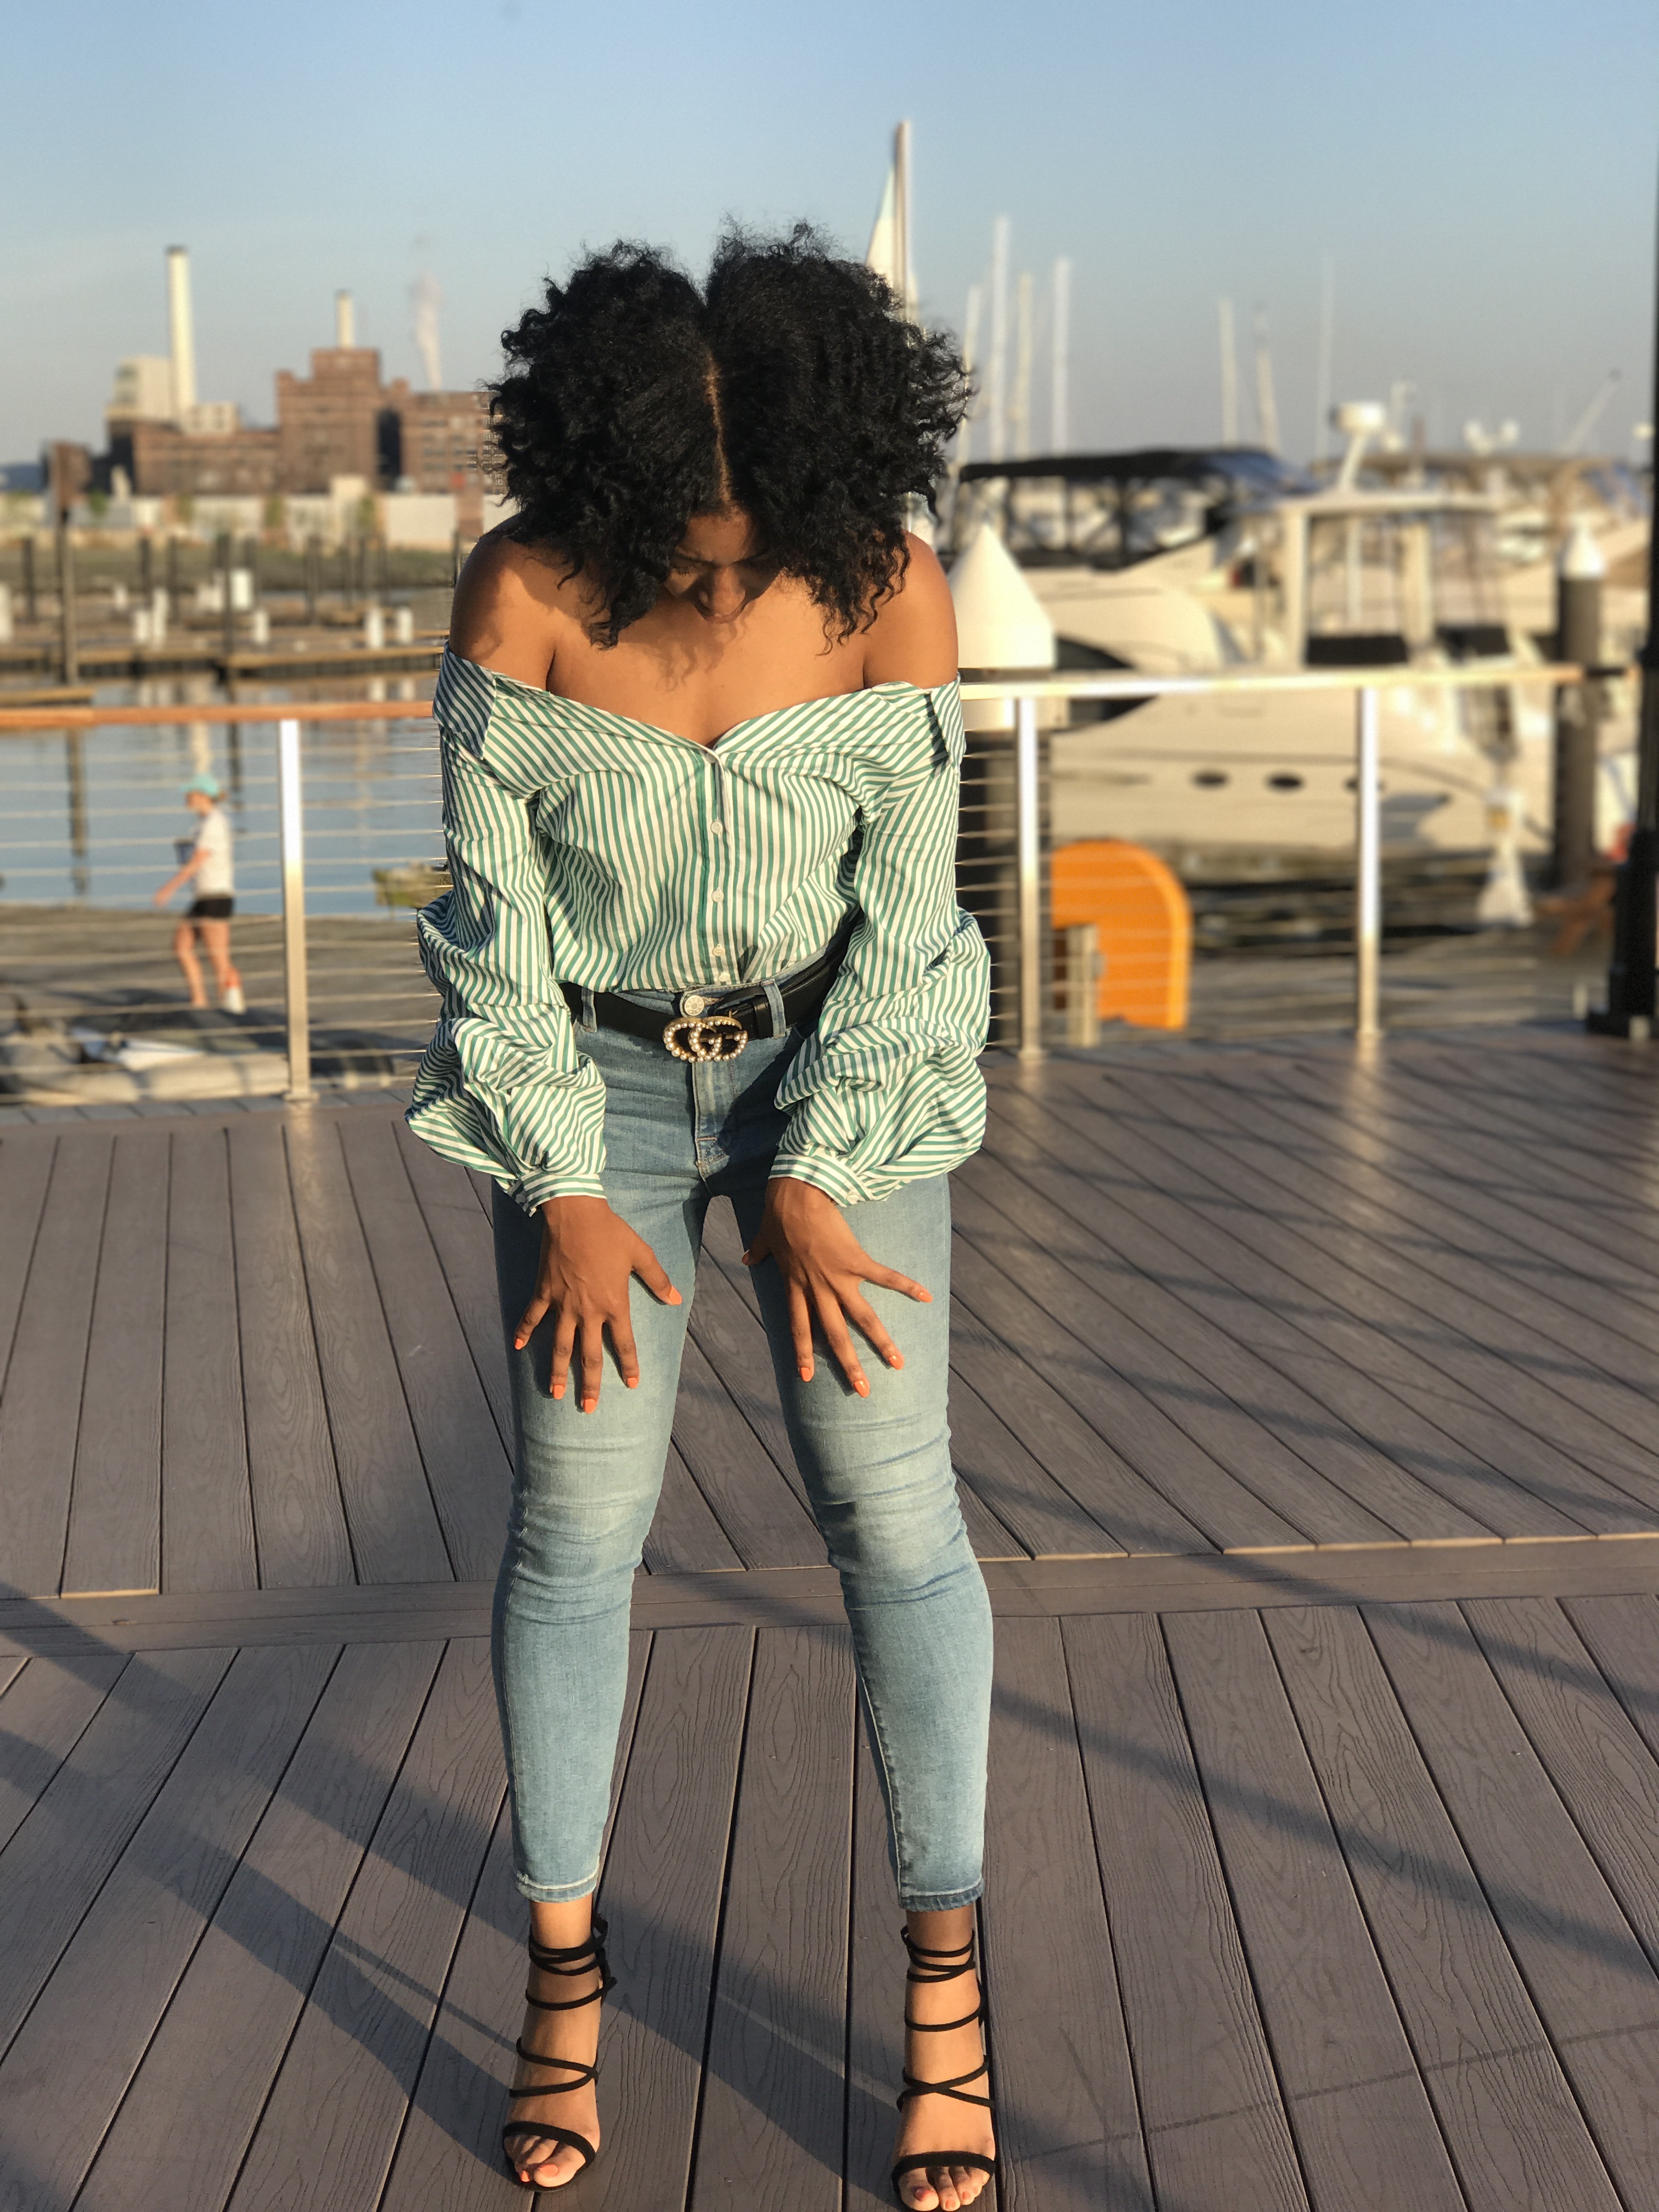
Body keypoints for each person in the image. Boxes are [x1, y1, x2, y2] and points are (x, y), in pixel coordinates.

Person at [408, 229, 994, 2211]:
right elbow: (489, 933)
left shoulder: (889, 584)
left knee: (894, 1517)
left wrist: (819, 1171)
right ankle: (562, 1985)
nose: (717, 584)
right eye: (681, 540)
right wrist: (567, 1189)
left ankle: (945, 2005)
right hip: (592, 1092)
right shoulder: (521, 592)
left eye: (750, 543)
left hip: (844, 1071)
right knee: (575, 1532)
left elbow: (913, 917)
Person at [153, 772, 245, 1013]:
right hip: (203, 895)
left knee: (219, 959)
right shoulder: (202, 824)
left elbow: (197, 861)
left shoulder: (214, 824)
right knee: (181, 946)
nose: (187, 797)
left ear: (203, 796)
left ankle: (231, 1007)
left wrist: (168, 889)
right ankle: (199, 1000)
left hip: (216, 895)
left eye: (191, 793)